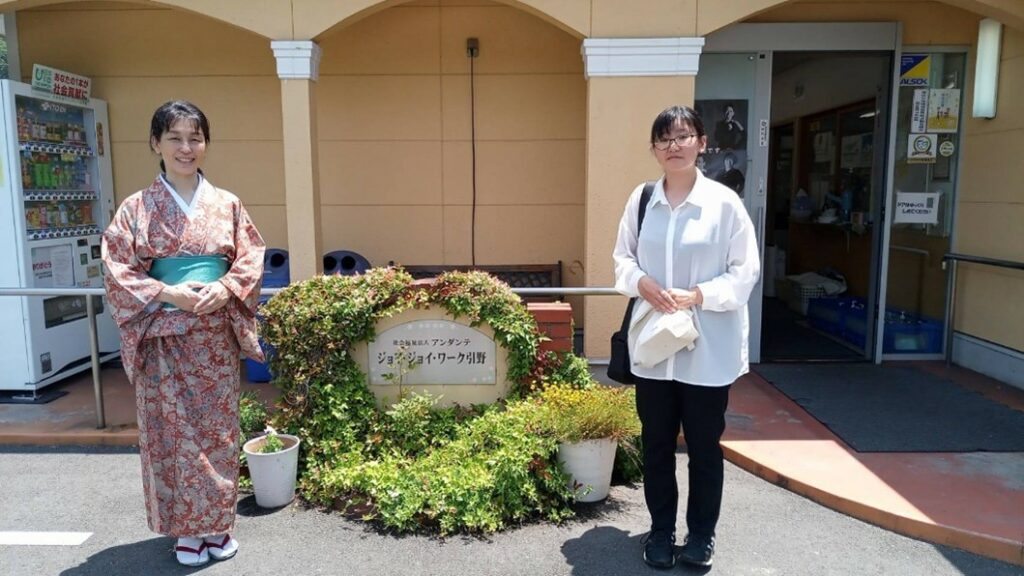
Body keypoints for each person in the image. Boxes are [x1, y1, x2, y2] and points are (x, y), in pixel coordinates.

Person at [102, 100, 266, 567]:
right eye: (174, 137)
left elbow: (251, 256)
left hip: (213, 338)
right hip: (162, 337)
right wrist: (167, 292)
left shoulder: (227, 204)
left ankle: (218, 524)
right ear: (155, 143)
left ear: (206, 144)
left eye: (195, 138)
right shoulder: (136, 208)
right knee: (171, 435)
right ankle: (186, 532)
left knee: (218, 432)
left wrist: (225, 287)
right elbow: (116, 268)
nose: (186, 147)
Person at [612, 105, 760, 568]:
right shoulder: (642, 200)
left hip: (707, 351)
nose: (673, 146)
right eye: (664, 139)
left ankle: (701, 536)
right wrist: (642, 283)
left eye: (682, 137)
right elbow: (622, 260)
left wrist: (699, 295)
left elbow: (745, 272)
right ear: (654, 149)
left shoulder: (724, 204)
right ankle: (660, 532)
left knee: (703, 448)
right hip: (656, 350)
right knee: (656, 444)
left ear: (702, 143)